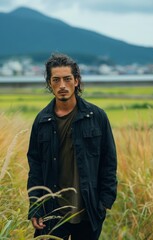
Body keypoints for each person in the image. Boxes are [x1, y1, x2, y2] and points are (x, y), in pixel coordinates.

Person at [27, 53, 117, 240]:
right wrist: (35, 205)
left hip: (88, 210)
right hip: (51, 212)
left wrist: (104, 203)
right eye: (56, 80)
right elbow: (35, 167)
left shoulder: (97, 116)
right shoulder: (41, 121)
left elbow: (109, 161)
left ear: (76, 81)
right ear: (49, 83)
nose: (62, 85)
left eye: (67, 79)